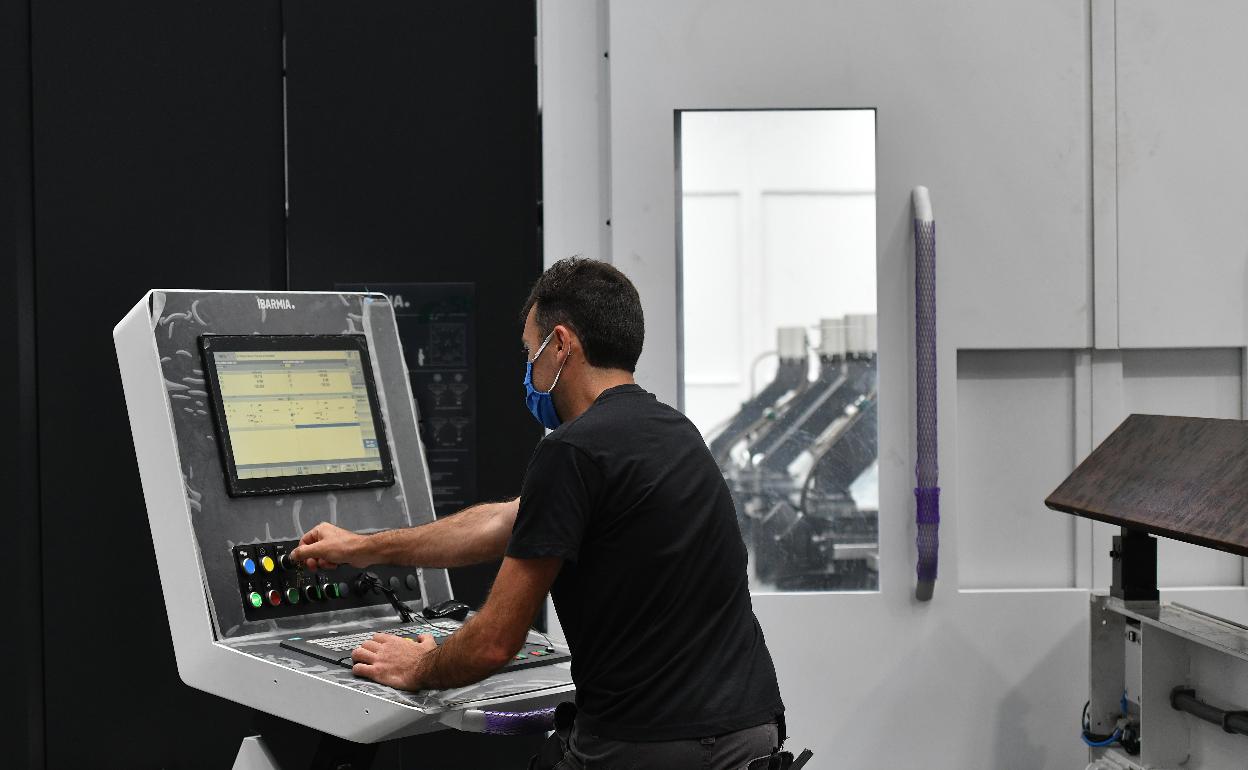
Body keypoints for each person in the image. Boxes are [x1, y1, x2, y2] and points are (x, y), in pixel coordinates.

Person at [291, 257, 785, 768]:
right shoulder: (672, 432)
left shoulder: (571, 450)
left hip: (645, 746)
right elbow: (501, 524)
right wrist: (362, 548)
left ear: (562, 346)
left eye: (531, 352)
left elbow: (494, 643)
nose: (529, 370)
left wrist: (418, 666)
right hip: (749, 735)